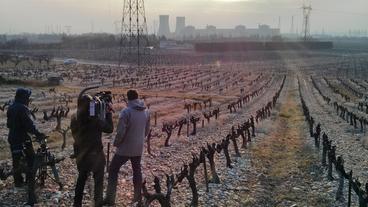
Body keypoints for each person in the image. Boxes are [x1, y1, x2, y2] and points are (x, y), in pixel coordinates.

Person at [104, 89, 150, 206]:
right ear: (137, 97)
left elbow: (120, 132)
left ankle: (110, 198)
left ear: (128, 98)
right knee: (137, 171)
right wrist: (139, 140)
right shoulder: (146, 111)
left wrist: (117, 143)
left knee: (113, 169)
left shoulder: (126, 112)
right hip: (138, 148)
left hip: (125, 148)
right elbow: (146, 131)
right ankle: (137, 199)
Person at [70, 92, 113, 207]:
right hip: (96, 154)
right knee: (98, 181)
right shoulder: (96, 119)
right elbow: (109, 129)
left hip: (81, 153)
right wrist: (108, 113)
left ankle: (77, 203)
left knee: (81, 178)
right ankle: (97, 203)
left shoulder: (75, 117)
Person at [7, 88, 46, 206]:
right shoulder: (23, 108)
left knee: (16, 160)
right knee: (32, 160)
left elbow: (8, 124)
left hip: (12, 137)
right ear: (24, 97)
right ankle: (30, 183)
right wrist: (39, 134)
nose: (29, 99)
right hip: (23, 139)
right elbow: (30, 125)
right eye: (28, 97)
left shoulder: (11, 107)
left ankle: (18, 182)